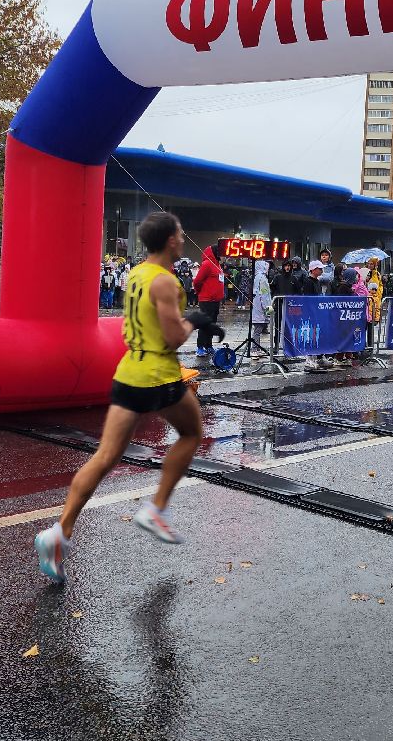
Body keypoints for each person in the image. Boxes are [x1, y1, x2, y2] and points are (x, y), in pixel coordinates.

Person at [34, 212, 212, 582]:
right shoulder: (165, 281)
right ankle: (156, 508)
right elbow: (174, 338)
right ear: (170, 241)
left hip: (128, 371)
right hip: (159, 376)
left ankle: (59, 534)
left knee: (105, 456)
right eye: (180, 234)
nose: (183, 239)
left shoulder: (136, 273)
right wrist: (196, 318)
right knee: (192, 434)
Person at [190, 245, 226, 355]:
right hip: (207, 300)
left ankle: (208, 345)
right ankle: (200, 347)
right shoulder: (207, 264)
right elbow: (197, 281)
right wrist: (199, 292)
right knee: (204, 323)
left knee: (212, 324)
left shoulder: (217, 265)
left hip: (215, 300)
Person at [249, 259, 272, 347]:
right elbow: (265, 295)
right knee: (258, 330)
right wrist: (269, 310)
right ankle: (255, 348)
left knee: (257, 329)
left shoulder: (257, 277)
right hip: (261, 309)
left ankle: (256, 348)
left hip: (257, 307)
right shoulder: (262, 279)